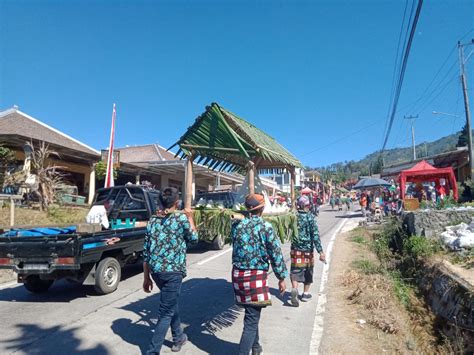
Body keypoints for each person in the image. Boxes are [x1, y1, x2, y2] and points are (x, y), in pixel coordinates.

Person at [142, 187, 199, 355]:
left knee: (170, 304)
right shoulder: (181, 219)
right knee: (165, 312)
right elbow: (194, 239)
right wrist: (190, 218)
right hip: (173, 273)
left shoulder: (152, 220)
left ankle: (178, 338)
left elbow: (146, 252)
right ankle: (153, 351)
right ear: (177, 202)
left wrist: (146, 278)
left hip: (156, 272)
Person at [231, 193, 288, 355]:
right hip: (255, 276)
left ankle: (256, 347)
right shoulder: (266, 227)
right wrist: (281, 278)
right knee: (251, 320)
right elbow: (275, 254)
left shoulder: (236, 226)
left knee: (251, 313)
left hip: (238, 276)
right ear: (262, 208)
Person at [290, 196, 325, 307]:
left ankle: (294, 289)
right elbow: (315, 235)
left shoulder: (293, 216)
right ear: (307, 205)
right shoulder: (310, 217)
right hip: (307, 250)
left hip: (295, 249)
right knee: (308, 271)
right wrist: (320, 251)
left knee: (295, 269)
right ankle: (305, 294)